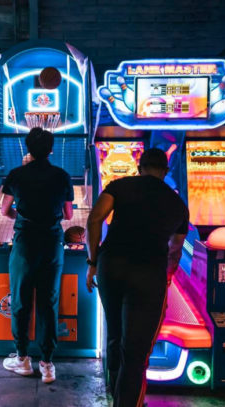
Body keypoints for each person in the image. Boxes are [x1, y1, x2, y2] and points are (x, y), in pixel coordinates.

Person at [86, 148, 189, 407]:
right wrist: (167, 275)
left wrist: (93, 261)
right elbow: (176, 247)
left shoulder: (120, 186)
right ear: (166, 171)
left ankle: (114, 391)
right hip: (148, 273)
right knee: (136, 352)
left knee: (115, 334)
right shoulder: (178, 204)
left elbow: (95, 219)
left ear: (139, 167)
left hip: (112, 267)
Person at [0, 127, 74, 384]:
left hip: (25, 241)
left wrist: (21, 216)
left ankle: (22, 359)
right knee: (48, 302)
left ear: (28, 148)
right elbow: (68, 215)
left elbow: (5, 210)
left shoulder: (16, 175)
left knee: (20, 300)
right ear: (51, 149)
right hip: (52, 242)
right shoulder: (62, 176)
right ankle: (47, 364)